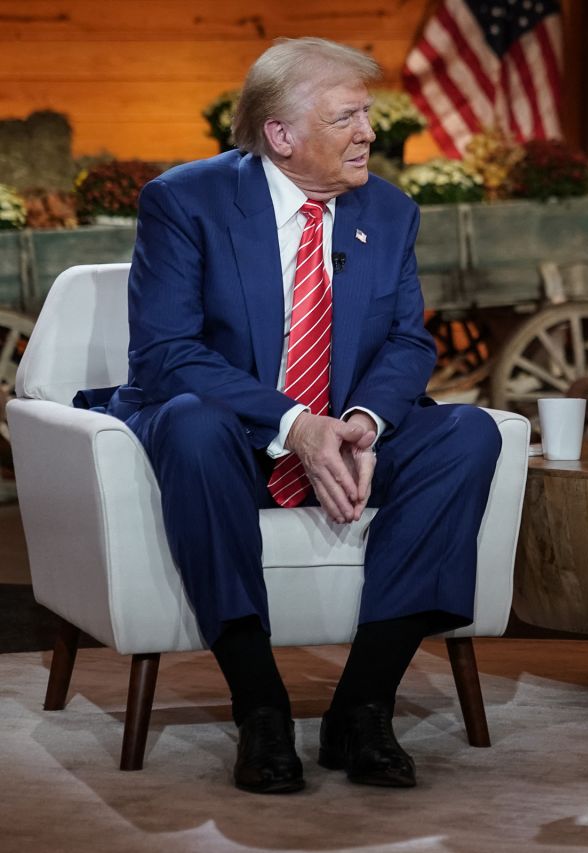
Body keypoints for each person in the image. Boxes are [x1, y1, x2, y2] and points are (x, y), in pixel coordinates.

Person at [101, 37, 501, 794]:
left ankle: (362, 705)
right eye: (347, 116)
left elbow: (409, 342)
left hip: (341, 432)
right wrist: (295, 423)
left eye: (369, 115)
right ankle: (260, 707)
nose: (370, 133)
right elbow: (165, 353)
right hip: (230, 440)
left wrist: (362, 421)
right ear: (281, 135)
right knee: (191, 422)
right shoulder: (187, 202)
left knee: (468, 434)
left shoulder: (386, 210)